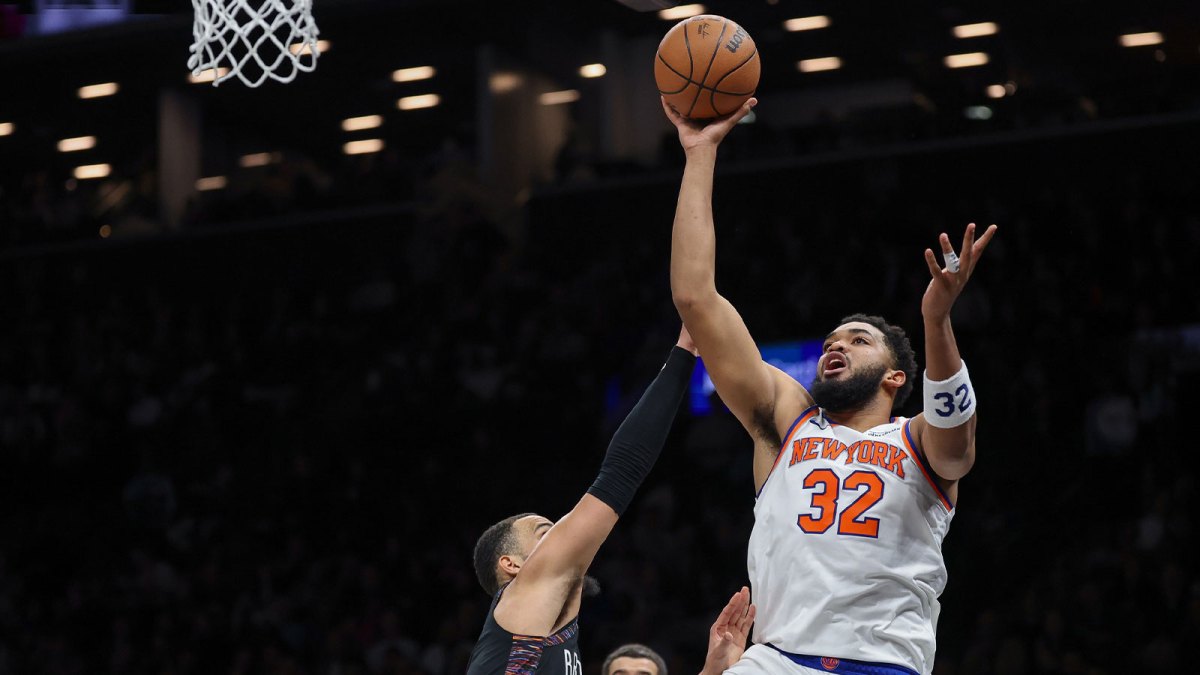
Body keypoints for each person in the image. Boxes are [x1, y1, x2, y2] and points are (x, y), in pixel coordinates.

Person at [662, 95, 997, 675]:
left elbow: (957, 440)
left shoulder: (916, 441)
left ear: (896, 377)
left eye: (859, 340)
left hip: (880, 663)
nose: (836, 345)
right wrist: (699, 154)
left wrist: (936, 320)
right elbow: (696, 299)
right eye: (832, 340)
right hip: (774, 661)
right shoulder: (785, 421)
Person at [466, 327, 697, 674]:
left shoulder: (550, 638)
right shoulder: (521, 602)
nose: (564, 537)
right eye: (546, 534)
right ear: (512, 566)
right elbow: (622, 470)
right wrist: (684, 352)